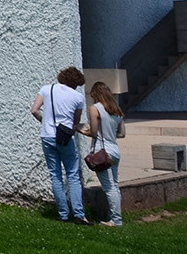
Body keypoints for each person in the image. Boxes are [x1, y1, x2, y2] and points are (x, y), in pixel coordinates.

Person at [31, 66, 89, 223]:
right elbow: (75, 121)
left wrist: (45, 122)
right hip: (64, 137)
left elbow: (35, 110)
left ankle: (63, 214)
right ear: (76, 83)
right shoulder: (78, 97)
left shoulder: (46, 89)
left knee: (55, 175)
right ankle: (79, 214)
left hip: (47, 135)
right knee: (72, 174)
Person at [84, 79, 125, 226]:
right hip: (114, 149)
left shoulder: (95, 109)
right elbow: (121, 134)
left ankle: (116, 220)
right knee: (114, 185)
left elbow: (94, 132)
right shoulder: (117, 110)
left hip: (102, 151)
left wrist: (82, 130)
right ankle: (112, 216)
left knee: (108, 187)